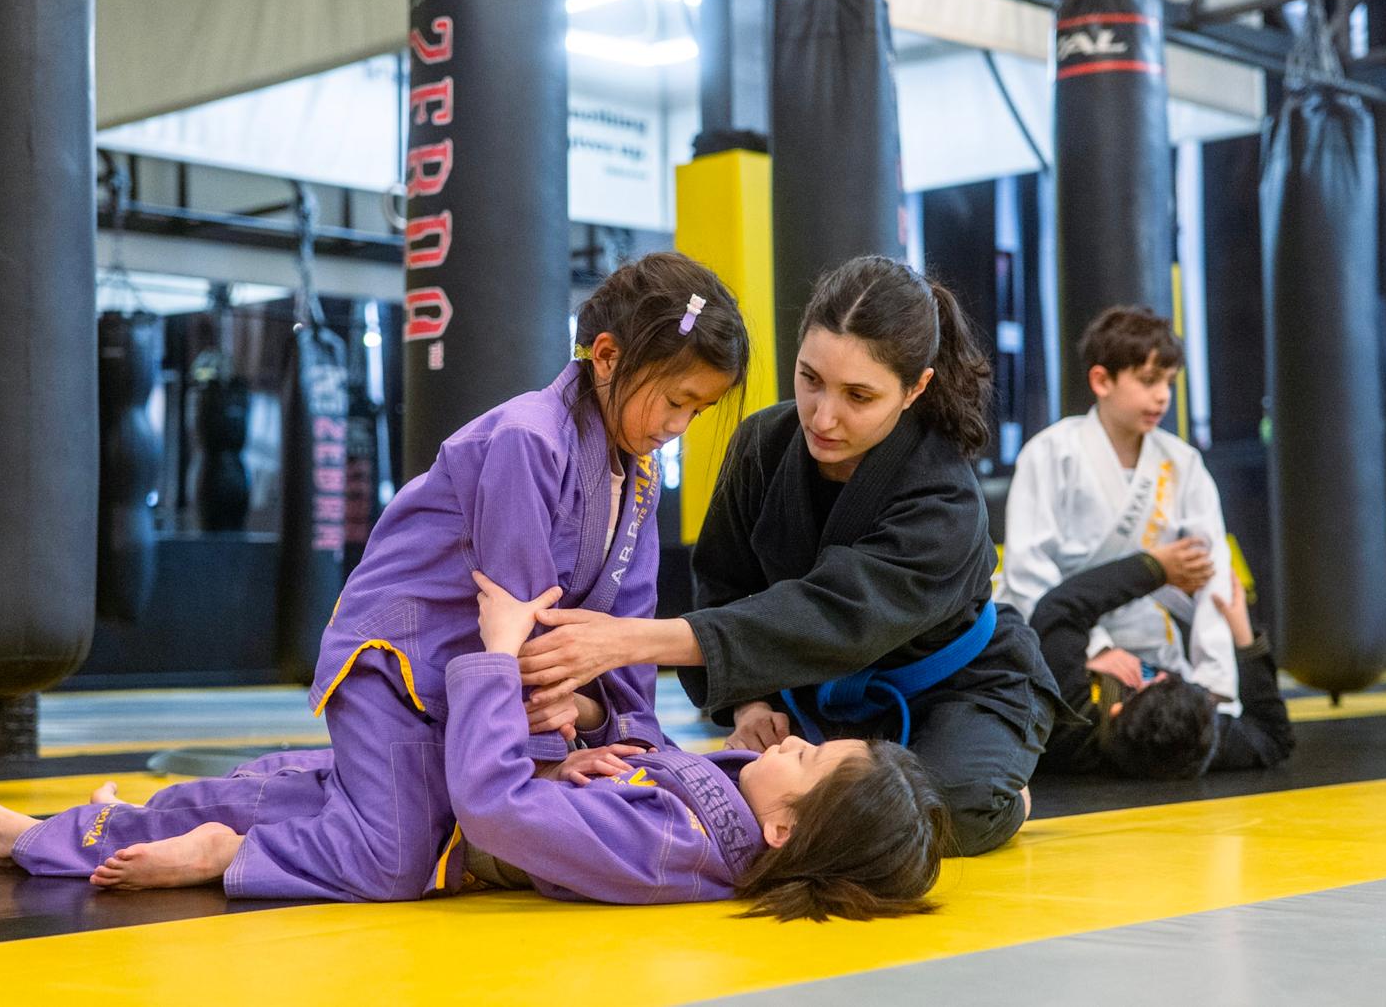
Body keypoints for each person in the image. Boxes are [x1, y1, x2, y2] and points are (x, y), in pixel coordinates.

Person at [0, 251, 750, 903]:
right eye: (673, 399)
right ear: (606, 355)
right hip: (405, 664)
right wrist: (540, 763)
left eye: (697, 412)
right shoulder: (530, 443)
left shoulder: (635, 477)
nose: (676, 427)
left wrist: (603, 723)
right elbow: (515, 617)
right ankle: (53, 841)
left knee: (401, 824)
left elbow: (622, 646)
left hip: (488, 688)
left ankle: (153, 817)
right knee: (394, 859)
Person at [0, 574, 951, 922]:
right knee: (255, 786)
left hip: (438, 828)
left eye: (810, 761)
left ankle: (21, 835)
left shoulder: (677, 851)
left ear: (783, 827)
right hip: (431, 809)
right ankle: (212, 849)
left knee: (261, 796)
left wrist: (498, 658)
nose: (798, 743)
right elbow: (621, 783)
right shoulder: (718, 816)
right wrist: (599, 738)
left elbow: (503, 813)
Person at [518, 255, 1066, 857]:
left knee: (929, 819)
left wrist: (631, 639)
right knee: (780, 810)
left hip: (960, 685)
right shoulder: (764, 444)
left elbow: (826, 614)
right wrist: (751, 701)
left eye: (859, 396)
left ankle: (1001, 787)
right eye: (810, 379)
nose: (823, 417)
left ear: (916, 389)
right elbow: (724, 586)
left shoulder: (945, 496)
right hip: (820, 709)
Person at [998, 305, 1241, 714]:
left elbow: (1210, 574)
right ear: (1101, 380)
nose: (1162, 395)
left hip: (1144, 641)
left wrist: (1214, 685)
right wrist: (1094, 647)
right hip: (1051, 642)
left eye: (1168, 382)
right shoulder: (1051, 454)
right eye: (1148, 381)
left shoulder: (1182, 464)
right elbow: (1026, 571)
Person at [1032, 557, 1294, 778]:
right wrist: (1245, 638)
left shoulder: (1068, 705)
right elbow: (1274, 736)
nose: (1145, 669)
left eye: (1147, 676)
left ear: (1116, 709)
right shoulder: (1196, 741)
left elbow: (1058, 608)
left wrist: (1155, 568)